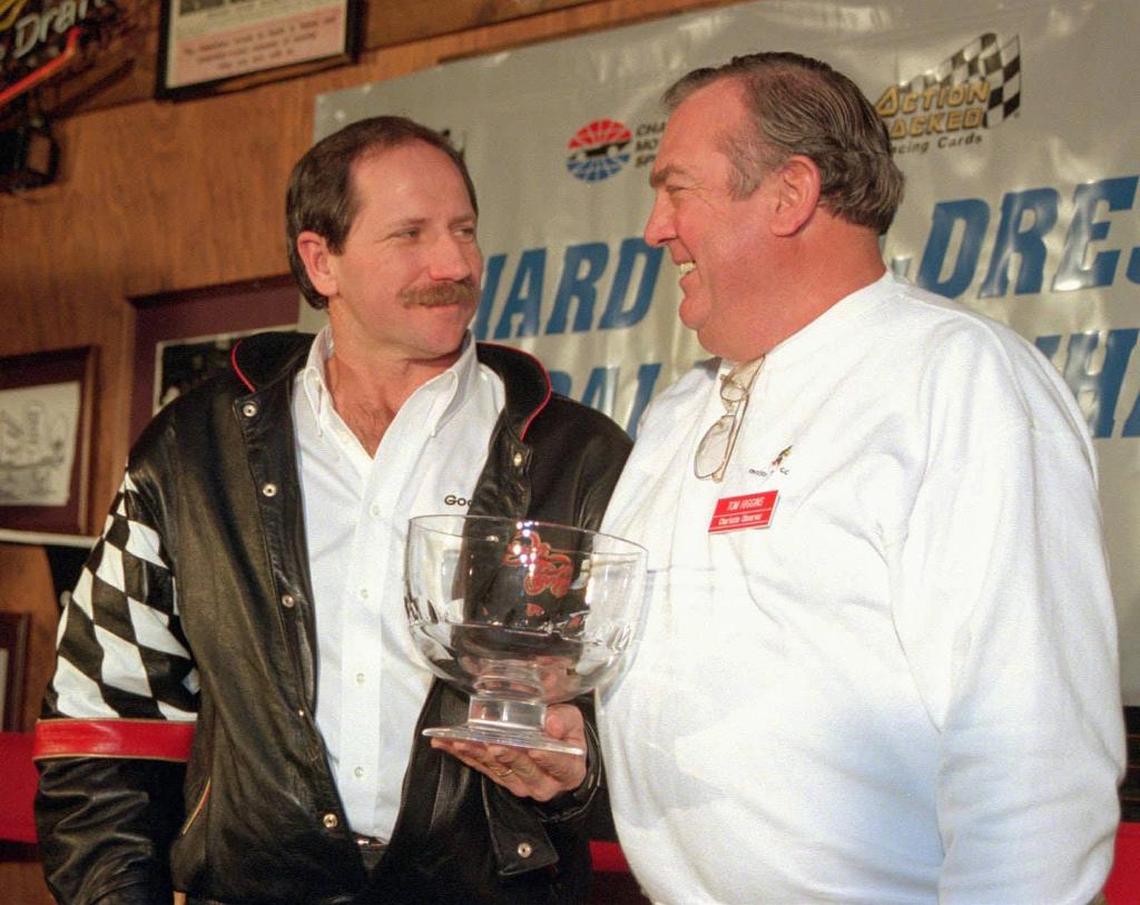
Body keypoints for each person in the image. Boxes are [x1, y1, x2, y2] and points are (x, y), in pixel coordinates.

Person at [34, 116, 631, 905]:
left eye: (464, 229)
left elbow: (659, 722)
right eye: (410, 234)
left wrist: (583, 773)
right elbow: (99, 722)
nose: (454, 262)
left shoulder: (579, 454)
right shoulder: (193, 449)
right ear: (322, 261)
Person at [596, 51, 1125, 903]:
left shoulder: (954, 378)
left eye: (677, 188)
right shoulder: (673, 417)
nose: (655, 227)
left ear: (789, 193)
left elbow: (1031, 744)